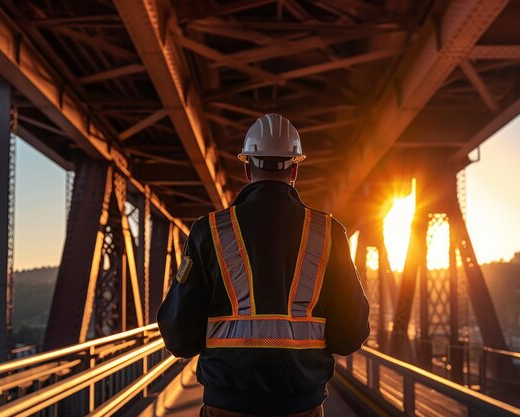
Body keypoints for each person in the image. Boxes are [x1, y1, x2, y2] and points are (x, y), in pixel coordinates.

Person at [157, 113, 370, 417]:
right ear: (295, 169)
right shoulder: (329, 233)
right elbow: (351, 333)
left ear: (247, 168)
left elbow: (178, 336)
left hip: (227, 406)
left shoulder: (211, 231)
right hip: (302, 406)